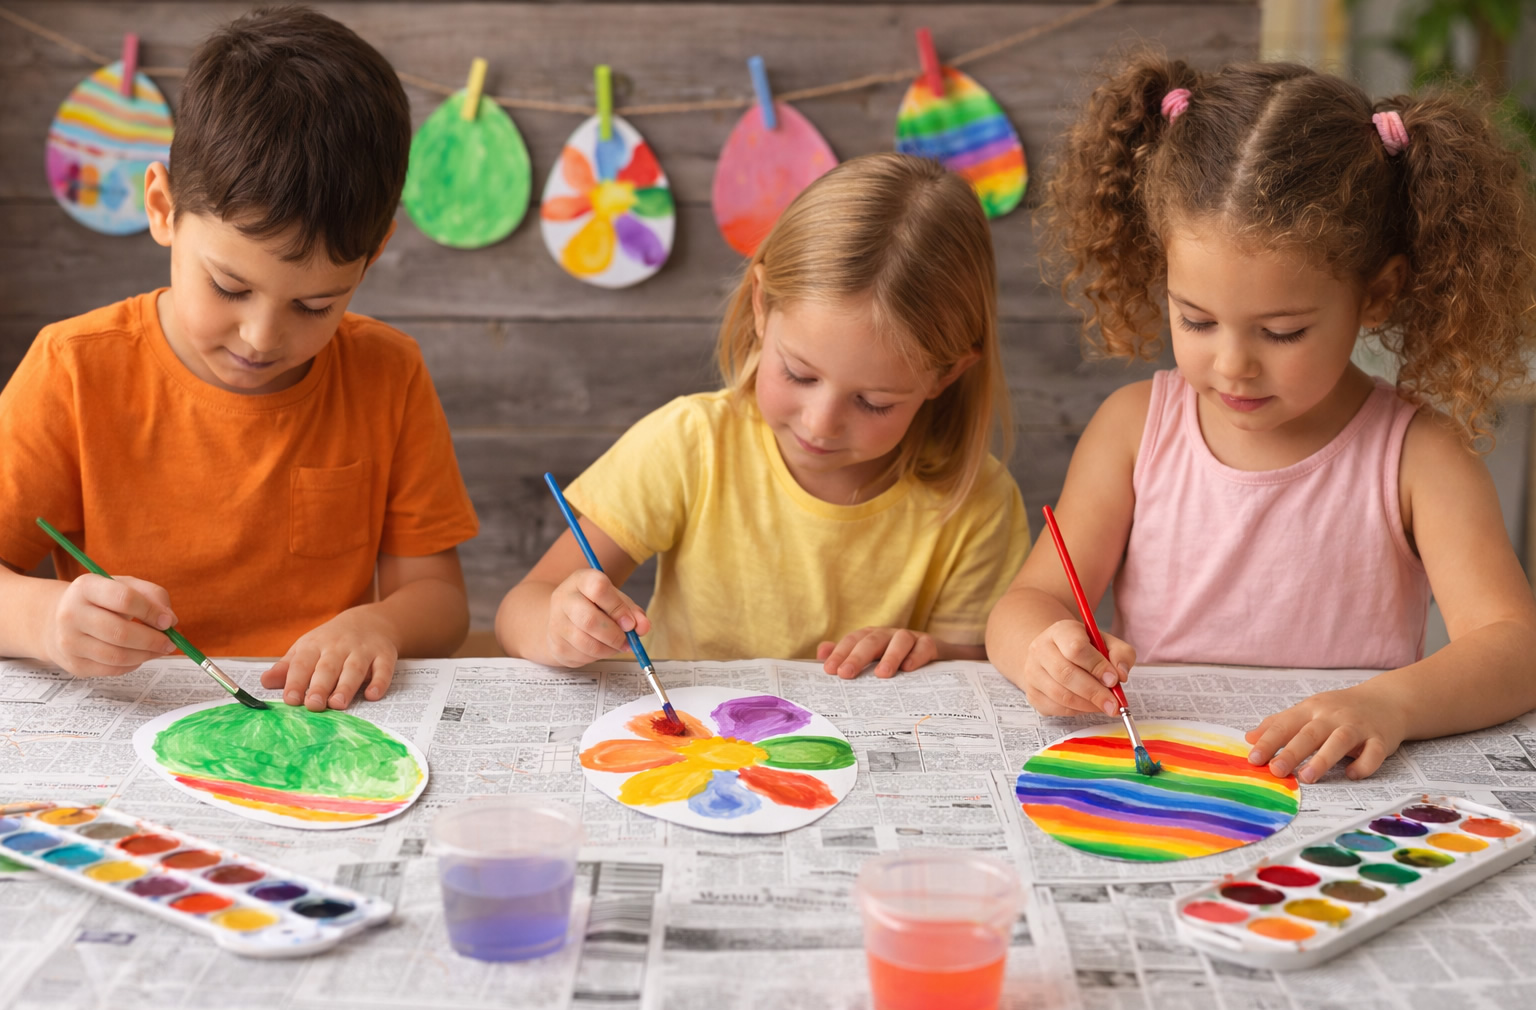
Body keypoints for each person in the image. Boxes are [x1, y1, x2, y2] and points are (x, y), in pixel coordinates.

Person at [987, 53, 1536, 782]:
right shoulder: (1132, 429)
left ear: (1377, 295)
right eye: (1196, 319)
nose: (1233, 365)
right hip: (1170, 784)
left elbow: (1513, 647)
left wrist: (1391, 704)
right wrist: (1042, 649)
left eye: (1281, 333)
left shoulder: (1417, 453)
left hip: (1336, 787)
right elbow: (1029, 602)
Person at [0, 7, 479, 710]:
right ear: (163, 208)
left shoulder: (388, 373)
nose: (261, 337)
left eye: (315, 306)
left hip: (315, 730)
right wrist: (42, 620)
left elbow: (440, 600)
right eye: (229, 287)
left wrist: (377, 623)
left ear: (373, 255)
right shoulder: (73, 369)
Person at [498, 153, 1029, 678]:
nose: (820, 424)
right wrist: (557, 622)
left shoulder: (977, 501)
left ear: (946, 375)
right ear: (760, 306)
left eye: (874, 402)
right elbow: (521, 609)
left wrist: (927, 652)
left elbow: (976, 668)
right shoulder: (691, 444)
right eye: (799, 374)